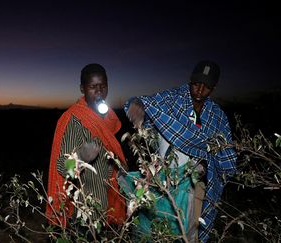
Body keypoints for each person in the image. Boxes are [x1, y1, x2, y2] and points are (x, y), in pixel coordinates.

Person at [124, 60, 237, 242]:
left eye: (206, 86)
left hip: (193, 183)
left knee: (187, 233)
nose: (200, 90)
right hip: (161, 177)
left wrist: (208, 168)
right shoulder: (172, 99)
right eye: (196, 84)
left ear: (213, 88)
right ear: (190, 81)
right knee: (151, 229)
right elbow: (144, 103)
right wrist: (136, 106)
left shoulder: (216, 116)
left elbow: (226, 157)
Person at [45, 63, 127, 229]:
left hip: (107, 204)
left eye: (103, 86)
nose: (99, 91)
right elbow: (61, 166)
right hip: (83, 211)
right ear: (82, 89)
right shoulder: (74, 119)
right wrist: (81, 157)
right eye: (93, 87)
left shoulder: (108, 117)